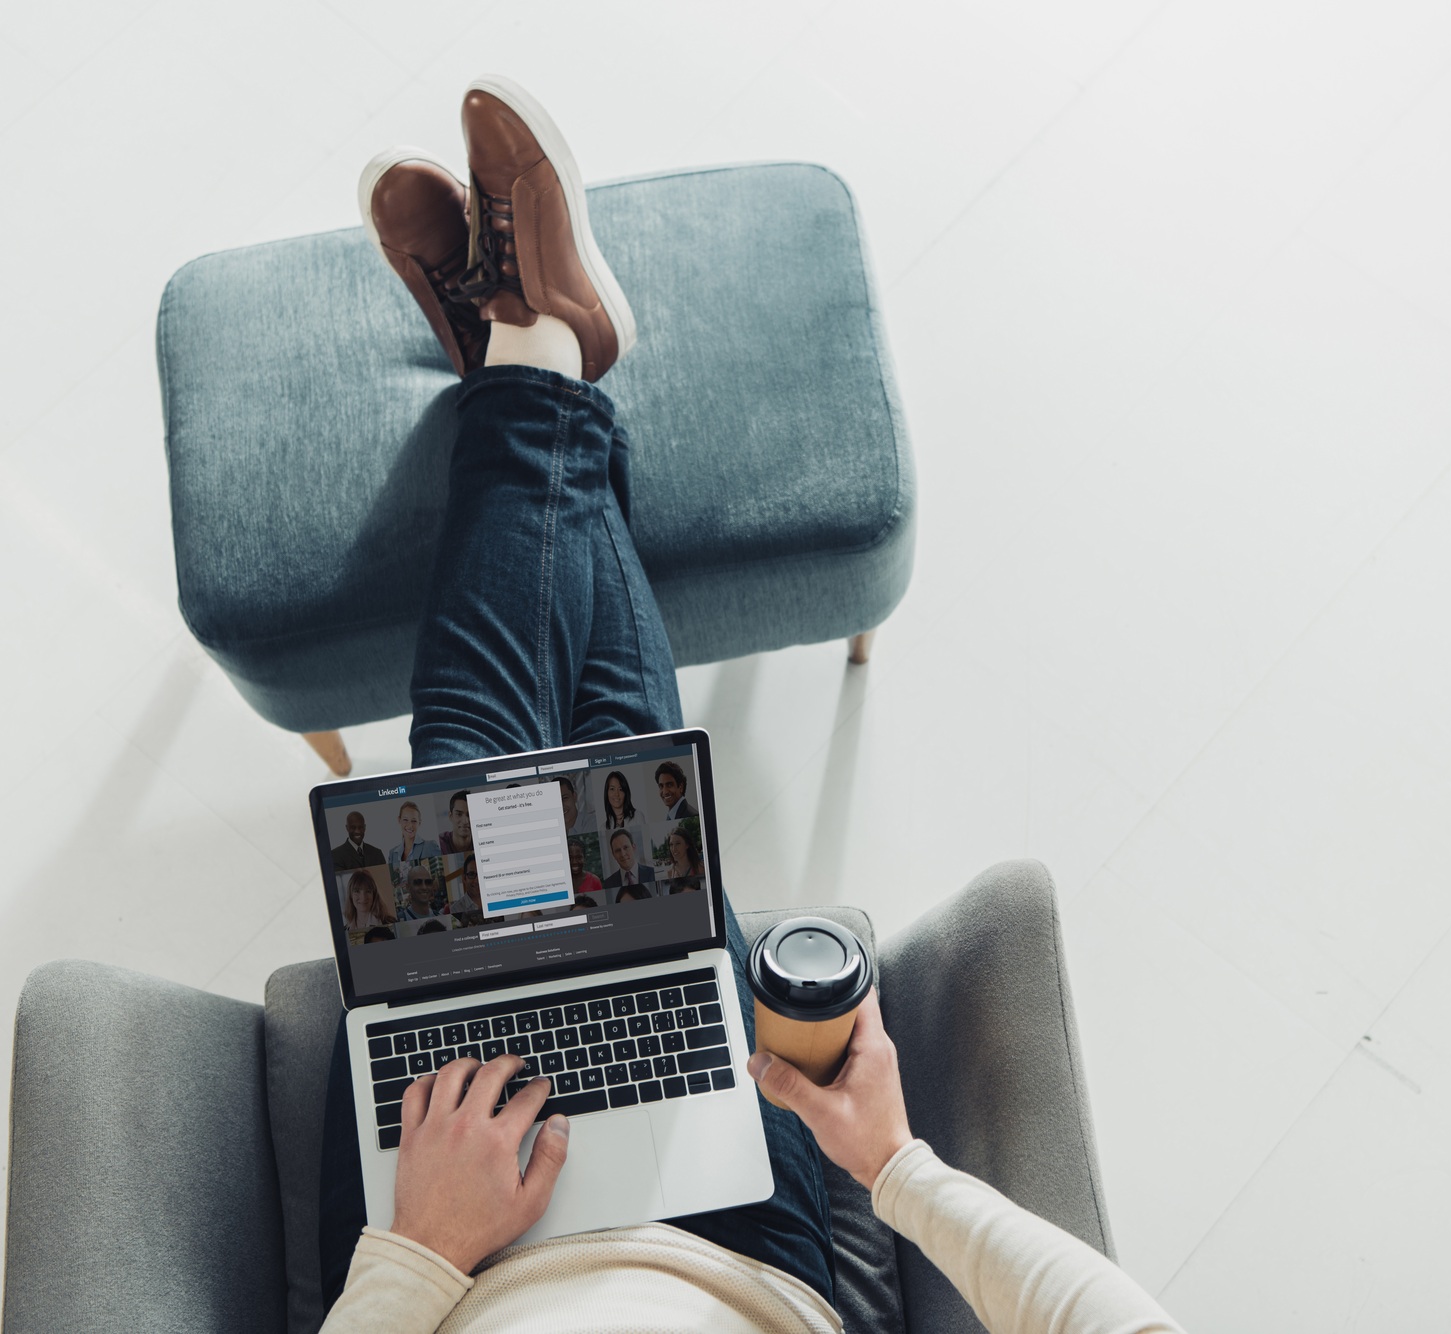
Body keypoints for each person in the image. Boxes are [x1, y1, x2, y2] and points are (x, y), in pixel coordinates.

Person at [316, 77, 1179, 1334]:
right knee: (617, 785)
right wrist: (894, 1167)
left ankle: (534, 351)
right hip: (732, 1252)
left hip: (458, 1269)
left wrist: (420, 1254)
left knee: (468, 761)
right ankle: (533, 350)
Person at [387, 801, 442, 884]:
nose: (410, 825)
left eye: (414, 821)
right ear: (399, 820)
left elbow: (440, 871)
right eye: (405, 820)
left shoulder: (430, 846)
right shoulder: (392, 853)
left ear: (419, 823)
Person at [599, 827, 655, 893]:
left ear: (633, 848)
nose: (623, 854)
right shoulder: (607, 884)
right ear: (613, 855)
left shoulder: (652, 873)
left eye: (625, 847)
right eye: (617, 850)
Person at [657, 820, 705, 894]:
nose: (674, 849)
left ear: (687, 845)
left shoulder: (700, 867)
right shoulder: (670, 872)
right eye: (671, 845)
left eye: (678, 844)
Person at [342, 869, 393, 936]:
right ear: (351, 896)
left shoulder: (390, 922)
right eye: (357, 891)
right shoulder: (344, 931)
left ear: (374, 895)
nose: (363, 897)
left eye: (368, 891)